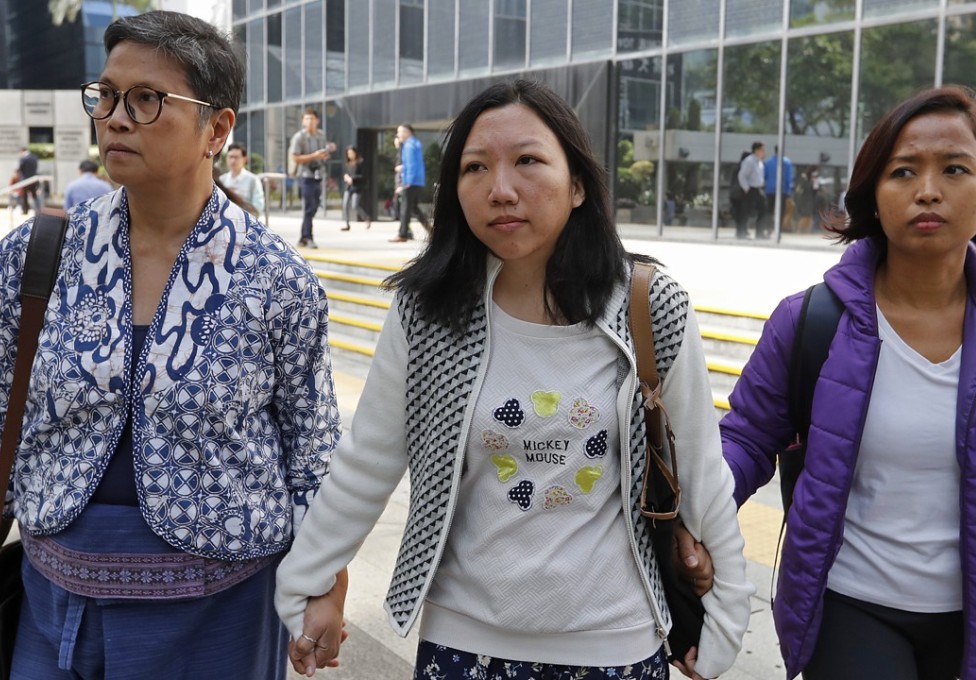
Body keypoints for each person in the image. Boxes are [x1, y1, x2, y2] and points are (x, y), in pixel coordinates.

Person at [275, 79, 752, 680]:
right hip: (462, 641)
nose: (501, 190)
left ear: (577, 184)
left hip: (614, 643)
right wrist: (305, 584)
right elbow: (368, 459)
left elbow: (704, 469)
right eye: (476, 168)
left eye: (528, 161)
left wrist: (728, 614)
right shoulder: (428, 313)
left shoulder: (648, 305)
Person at [1, 11, 341, 679]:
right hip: (53, 594)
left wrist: (326, 581)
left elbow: (313, 447)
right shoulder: (37, 255)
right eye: (105, 95)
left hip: (220, 611)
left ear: (217, 128)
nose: (116, 118)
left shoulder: (276, 279)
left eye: (147, 99)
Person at [720, 86, 976, 680]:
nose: (927, 189)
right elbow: (748, 439)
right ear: (873, 199)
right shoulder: (810, 320)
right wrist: (688, 522)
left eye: (955, 169)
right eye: (903, 171)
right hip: (849, 602)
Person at [290, 107, 336, 249]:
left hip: (318, 174)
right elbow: (295, 158)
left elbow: (324, 154)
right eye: (307, 119)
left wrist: (327, 152)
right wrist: (314, 156)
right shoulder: (299, 137)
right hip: (305, 175)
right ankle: (309, 237)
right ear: (303, 121)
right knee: (309, 207)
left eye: (312, 119)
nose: (309, 121)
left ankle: (303, 237)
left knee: (315, 206)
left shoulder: (321, 135)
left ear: (317, 121)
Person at [391, 122, 430, 242]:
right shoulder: (414, 144)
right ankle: (431, 230)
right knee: (413, 207)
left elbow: (412, 165)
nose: (398, 134)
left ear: (407, 132)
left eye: (400, 132)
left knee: (405, 208)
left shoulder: (409, 146)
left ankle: (402, 234)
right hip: (417, 181)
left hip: (410, 181)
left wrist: (406, 182)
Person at [219, 142, 265, 218]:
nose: (233, 160)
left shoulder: (253, 180)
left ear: (244, 159)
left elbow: (258, 207)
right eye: (230, 157)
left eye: (236, 157)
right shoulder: (221, 180)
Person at [737, 141, 767, 239]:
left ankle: (760, 233)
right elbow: (742, 175)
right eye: (762, 149)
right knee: (745, 211)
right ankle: (741, 233)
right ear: (756, 150)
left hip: (758, 188)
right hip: (750, 189)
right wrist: (746, 188)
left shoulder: (760, 162)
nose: (764, 152)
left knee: (763, 210)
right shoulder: (749, 161)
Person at [763, 146, 794, 232]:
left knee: (769, 210)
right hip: (782, 191)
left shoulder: (768, 162)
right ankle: (778, 229)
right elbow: (789, 178)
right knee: (781, 211)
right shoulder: (787, 162)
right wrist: (789, 191)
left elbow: (764, 176)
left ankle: (769, 227)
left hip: (769, 190)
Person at [341, 145, 371, 231]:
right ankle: (347, 224)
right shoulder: (348, 163)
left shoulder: (361, 162)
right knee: (345, 204)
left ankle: (366, 218)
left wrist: (352, 178)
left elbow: (363, 176)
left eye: (351, 153)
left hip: (357, 186)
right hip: (349, 186)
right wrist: (346, 177)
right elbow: (347, 173)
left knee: (355, 205)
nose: (350, 155)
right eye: (348, 153)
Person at [16, 147, 41, 215]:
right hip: (33, 180)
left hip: (25, 180)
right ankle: (38, 210)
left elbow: (21, 168)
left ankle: (25, 210)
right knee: (34, 195)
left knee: (24, 196)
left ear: (22, 151)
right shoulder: (34, 157)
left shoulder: (23, 159)